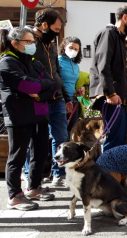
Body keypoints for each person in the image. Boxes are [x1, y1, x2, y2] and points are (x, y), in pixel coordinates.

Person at [0, 27, 56, 210]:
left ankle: (34, 187)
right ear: (15, 43)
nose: (33, 45)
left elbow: (52, 84)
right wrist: (39, 87)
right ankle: (14, 195)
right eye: (29, 42)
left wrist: (38, 92)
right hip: (19, 115)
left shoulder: (34, 62)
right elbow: (26, 85)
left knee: (40, 152)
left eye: (34, 41)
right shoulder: (7, 63)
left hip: (39, 112)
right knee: (17, 155)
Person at [90, 6, 127, 151]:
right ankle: (108, 172)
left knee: (121, 139)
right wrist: (110, 93)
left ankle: (116, 172)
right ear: (125, 18)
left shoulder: (121, 39)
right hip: (111, 97)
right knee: (113, 139)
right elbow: (103, 65)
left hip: (120, 97)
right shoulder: (108, 33)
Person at [32, 8, 70, 186]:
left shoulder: (52, 45)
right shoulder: (30, 43)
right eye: (55, 30)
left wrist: (67, 97)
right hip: (39, 99)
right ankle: (32, 177)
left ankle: (58, 174)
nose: (57, 34)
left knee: (61, 137)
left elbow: (57, 72)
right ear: (44, 24)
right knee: (38, 138)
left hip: (58, 98)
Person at [58, 36, 83, 139]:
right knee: (61, 133)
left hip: (73, 101)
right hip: (60, 100)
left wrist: (79, 90)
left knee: (73, 132)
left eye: (76, 49)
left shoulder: (75, 65)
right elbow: (57, 82)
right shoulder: (58, 61)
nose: (74, 51)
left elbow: (73, 83)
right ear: (64, 47)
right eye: (71, 47)